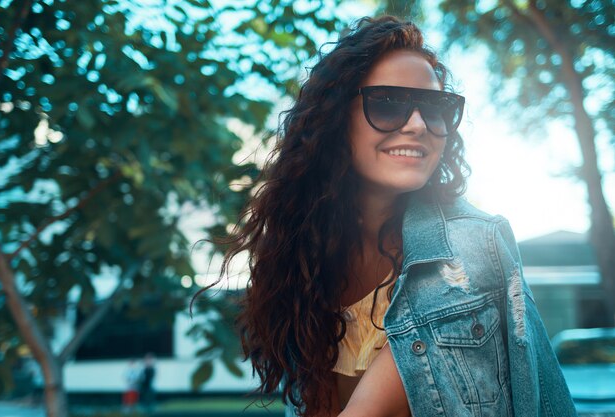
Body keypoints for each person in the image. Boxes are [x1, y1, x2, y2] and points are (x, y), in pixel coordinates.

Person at [207, 16, 576, 417]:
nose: (417, 125)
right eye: (388, 103)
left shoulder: (473, 244)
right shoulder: (305, 260)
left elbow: (548, 401)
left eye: (434, 108)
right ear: (335, 119)